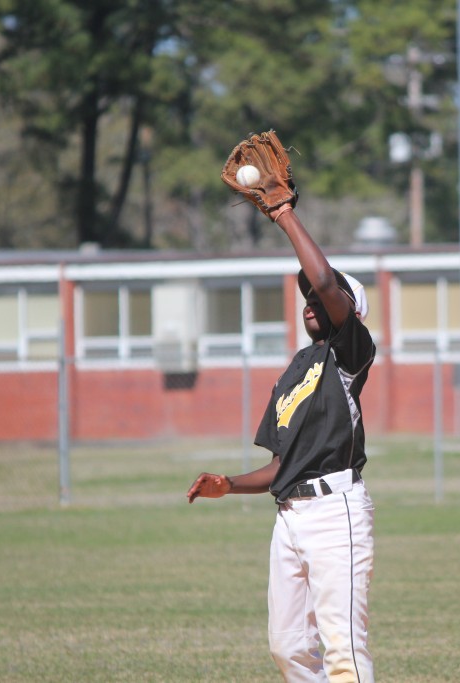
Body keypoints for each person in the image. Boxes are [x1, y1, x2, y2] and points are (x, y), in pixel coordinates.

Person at [186, 202, 377, 683]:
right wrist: (228, 484)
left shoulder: (349, 356)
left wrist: (285, 215)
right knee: (288, 647)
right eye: (306, 295)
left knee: (343, 650)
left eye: (319, 293)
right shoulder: (297, 370)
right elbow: (281, 466)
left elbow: (330, 284)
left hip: (337, 513)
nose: (310, 298)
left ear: (347, 311)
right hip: (289, 516)